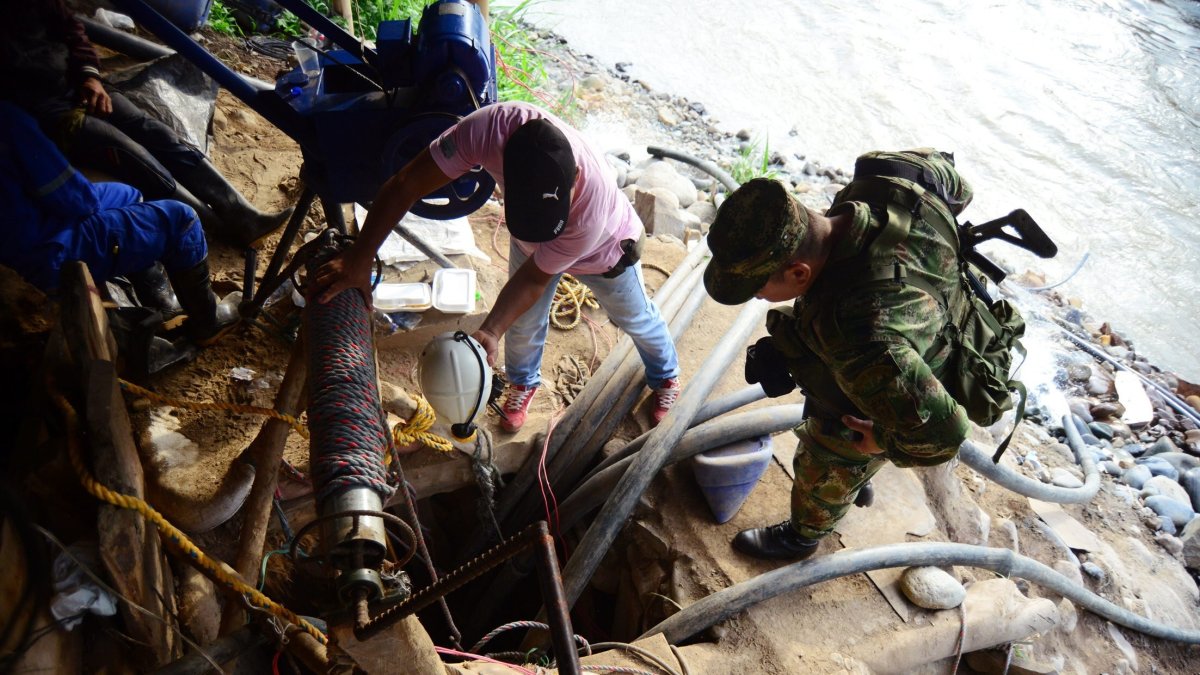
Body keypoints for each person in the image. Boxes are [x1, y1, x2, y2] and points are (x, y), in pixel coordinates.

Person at [314, 101, 683, 431]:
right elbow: (407, 183)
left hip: (604, 253)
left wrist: (490, 329)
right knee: (523, 321)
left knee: (634, 317)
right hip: (532, 243)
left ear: (574, 177)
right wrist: (359, 257)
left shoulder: (591, 208)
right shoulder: (487, 130)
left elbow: (535, 279)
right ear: (505, 167)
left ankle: (665, 376)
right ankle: (524, 382)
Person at [703, 149, 976, 560]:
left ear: (799, 272)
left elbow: (945, 435)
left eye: (757, 288)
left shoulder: (861, 335)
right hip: (933, 317)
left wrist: (881, 441)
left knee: (829, 447)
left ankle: (803, 535)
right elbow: (958, 187)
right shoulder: (887, 175)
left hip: (920, 365)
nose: (757, 297)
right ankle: (856, 477)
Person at [0, 0, 292, 250]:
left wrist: (90, 77)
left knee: (156, 132)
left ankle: (243, 215)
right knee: (129, 152)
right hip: (43, 113)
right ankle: (210, 226)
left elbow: (73, 31)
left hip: (77, 86)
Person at [0, 101, 237, 349]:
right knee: (182, 219)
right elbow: (76, 200)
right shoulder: (10, 123)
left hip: (20, 231)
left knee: (127, 195)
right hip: (42, 255)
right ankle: (207, 322)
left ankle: (161, 301)